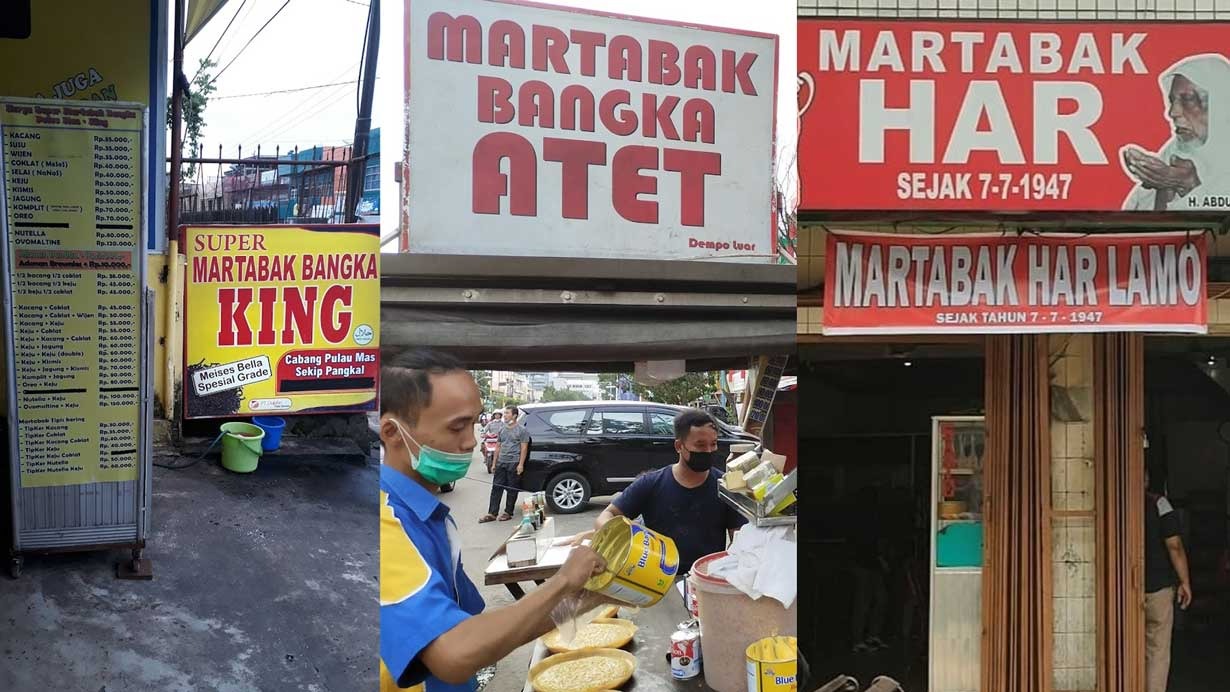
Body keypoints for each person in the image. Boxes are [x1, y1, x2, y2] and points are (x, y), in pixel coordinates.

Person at [379, 349, 608, 692]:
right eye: (457, 426)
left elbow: (484, 630)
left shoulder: (428, 514)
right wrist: (562, 582)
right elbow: (453, 654)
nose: (471, 441)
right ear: (392, 432)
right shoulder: (384, 522)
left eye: (474, 422)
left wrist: (593, 596)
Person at [588, 408, 746, 574]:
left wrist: (723, 571)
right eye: (700, 445)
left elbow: (739, 540)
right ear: (679, 446)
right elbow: (606, 516)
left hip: (705, 579)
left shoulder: (726, 486)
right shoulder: (651, 483)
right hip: (656, 581)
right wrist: (627, 539)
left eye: (713, 444)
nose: (708, 451)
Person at [1123, 54, 1230, 211]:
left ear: (1221, 105)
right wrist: (1164, 187)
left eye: (1188, 99)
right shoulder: (1173, 152)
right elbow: (1135, 220)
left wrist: (1190, 185)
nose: (1172, 112)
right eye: (1172, 101)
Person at [1144, 466, 1193, 692]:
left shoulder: (1116, 502)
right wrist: (1185, 582)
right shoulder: (1159, 504)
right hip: (1158, 590)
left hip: (1122, 588)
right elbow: (1174, 546)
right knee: (1157, 649)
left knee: (1124, 643)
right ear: (1145, 477)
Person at [848, 486, 888, 654]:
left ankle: (871, 636)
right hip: (864, 563)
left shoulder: (863, 518)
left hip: (869, 563)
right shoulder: (865, 519)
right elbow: (867, 543)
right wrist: (882, 559)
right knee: (865, 602)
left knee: (877, 600)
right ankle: (858, 639)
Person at [481, 405, 529, 523]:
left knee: (511, 489)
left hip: (513, 462)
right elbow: (497, 447)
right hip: (501, 462)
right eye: (505, 413)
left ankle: (508, 512)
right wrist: (494, 463)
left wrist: (520, 464)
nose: (505, 416)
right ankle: (492, 513)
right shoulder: (502, 429)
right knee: (496, 487)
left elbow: (524, 448)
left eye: (507, 413)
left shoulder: (522, 430)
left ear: (514, 415)